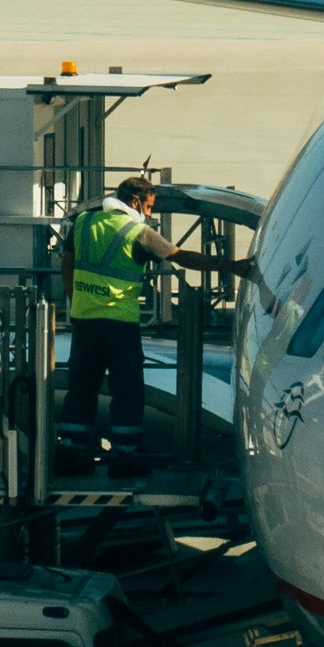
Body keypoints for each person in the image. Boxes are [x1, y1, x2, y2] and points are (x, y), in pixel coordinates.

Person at [54, 175, 217, 471]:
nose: (150, 213)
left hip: (85, 322)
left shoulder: (83, 222)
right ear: (135, 201)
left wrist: (76, 297)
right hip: (120, 324)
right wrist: (231, 266)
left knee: (81, 387)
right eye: (149, 206)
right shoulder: (138, 232)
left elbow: (66, 263)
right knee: (127, 390)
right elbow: (181, 257)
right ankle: (124, 455)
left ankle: (71, 451)